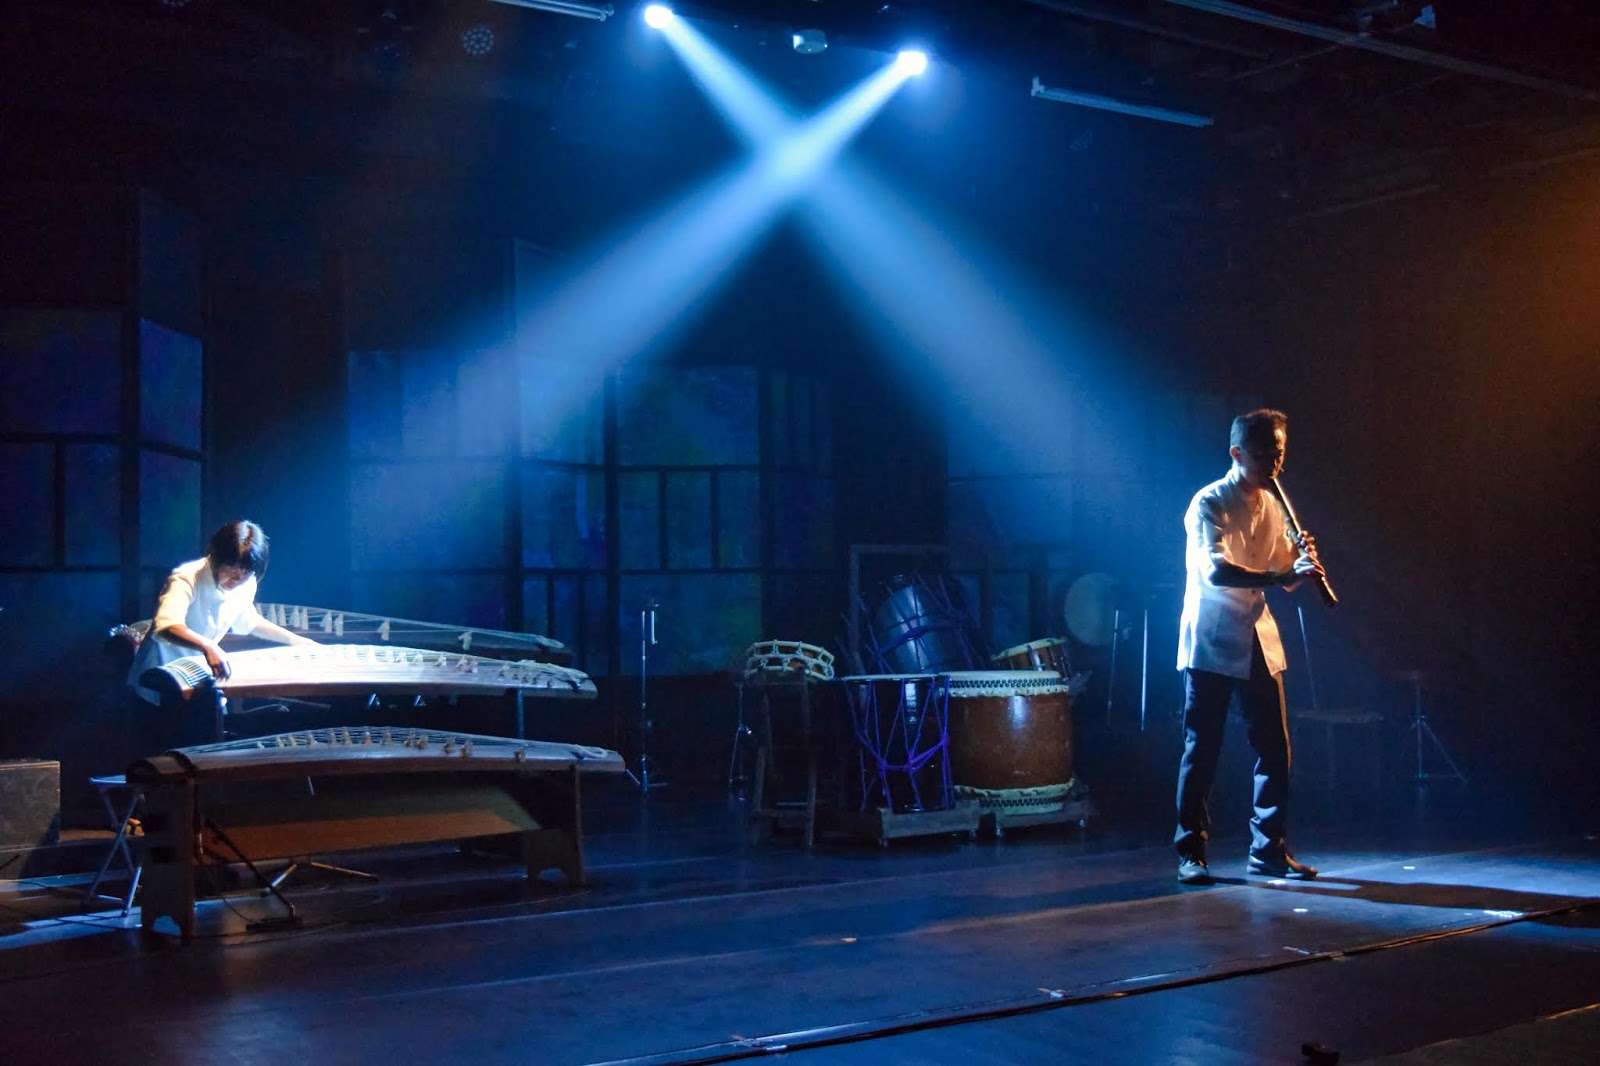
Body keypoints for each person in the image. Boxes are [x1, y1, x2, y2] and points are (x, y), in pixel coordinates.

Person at [1173, 409, 1325, 885]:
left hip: (1258, 632)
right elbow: (1216, 572)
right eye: (1266, 454)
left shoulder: (1274, 505)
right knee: (1202, 749)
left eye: (1280, 454)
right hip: (1213, 636)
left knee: (1275, 748)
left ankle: (1268, 850)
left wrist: (1301, 567)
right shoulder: (1208, 502)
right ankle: (1191, 852)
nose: (1275, 464)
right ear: (1237, 453)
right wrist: (1281, 576)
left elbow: (1285, 576)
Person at [127, 520, 316, 729]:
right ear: (217, 557)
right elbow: (167, 625)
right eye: (231, 566)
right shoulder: (187, 577)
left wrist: (296, 641)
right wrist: (208, 645)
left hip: (197, 672)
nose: (238, 576)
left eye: (245, 569)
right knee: (171, 737)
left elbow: (248, 622)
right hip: (161, 673)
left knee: (212, 732)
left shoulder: (247, 582)